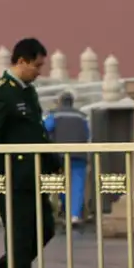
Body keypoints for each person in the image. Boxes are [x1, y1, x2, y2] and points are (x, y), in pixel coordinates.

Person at [0, 37, 59, 268]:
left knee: (46, 228)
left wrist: (52, 163)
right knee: (20, 234)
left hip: (34, 174)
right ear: (21, 61)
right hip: (12, 177)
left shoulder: (28, 92)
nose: (39, 71)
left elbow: (36, 132)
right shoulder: (0, 93)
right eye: (36, 65)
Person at [43, 91, 91, 226]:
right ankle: (74, 215)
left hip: (59, 155)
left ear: (59, 102)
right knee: (78, 184)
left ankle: (65, 210)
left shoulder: (54, 114)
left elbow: (45, 128)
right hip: (79, 154)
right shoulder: (82, 116)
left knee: (62, 183)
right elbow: (87, 134)